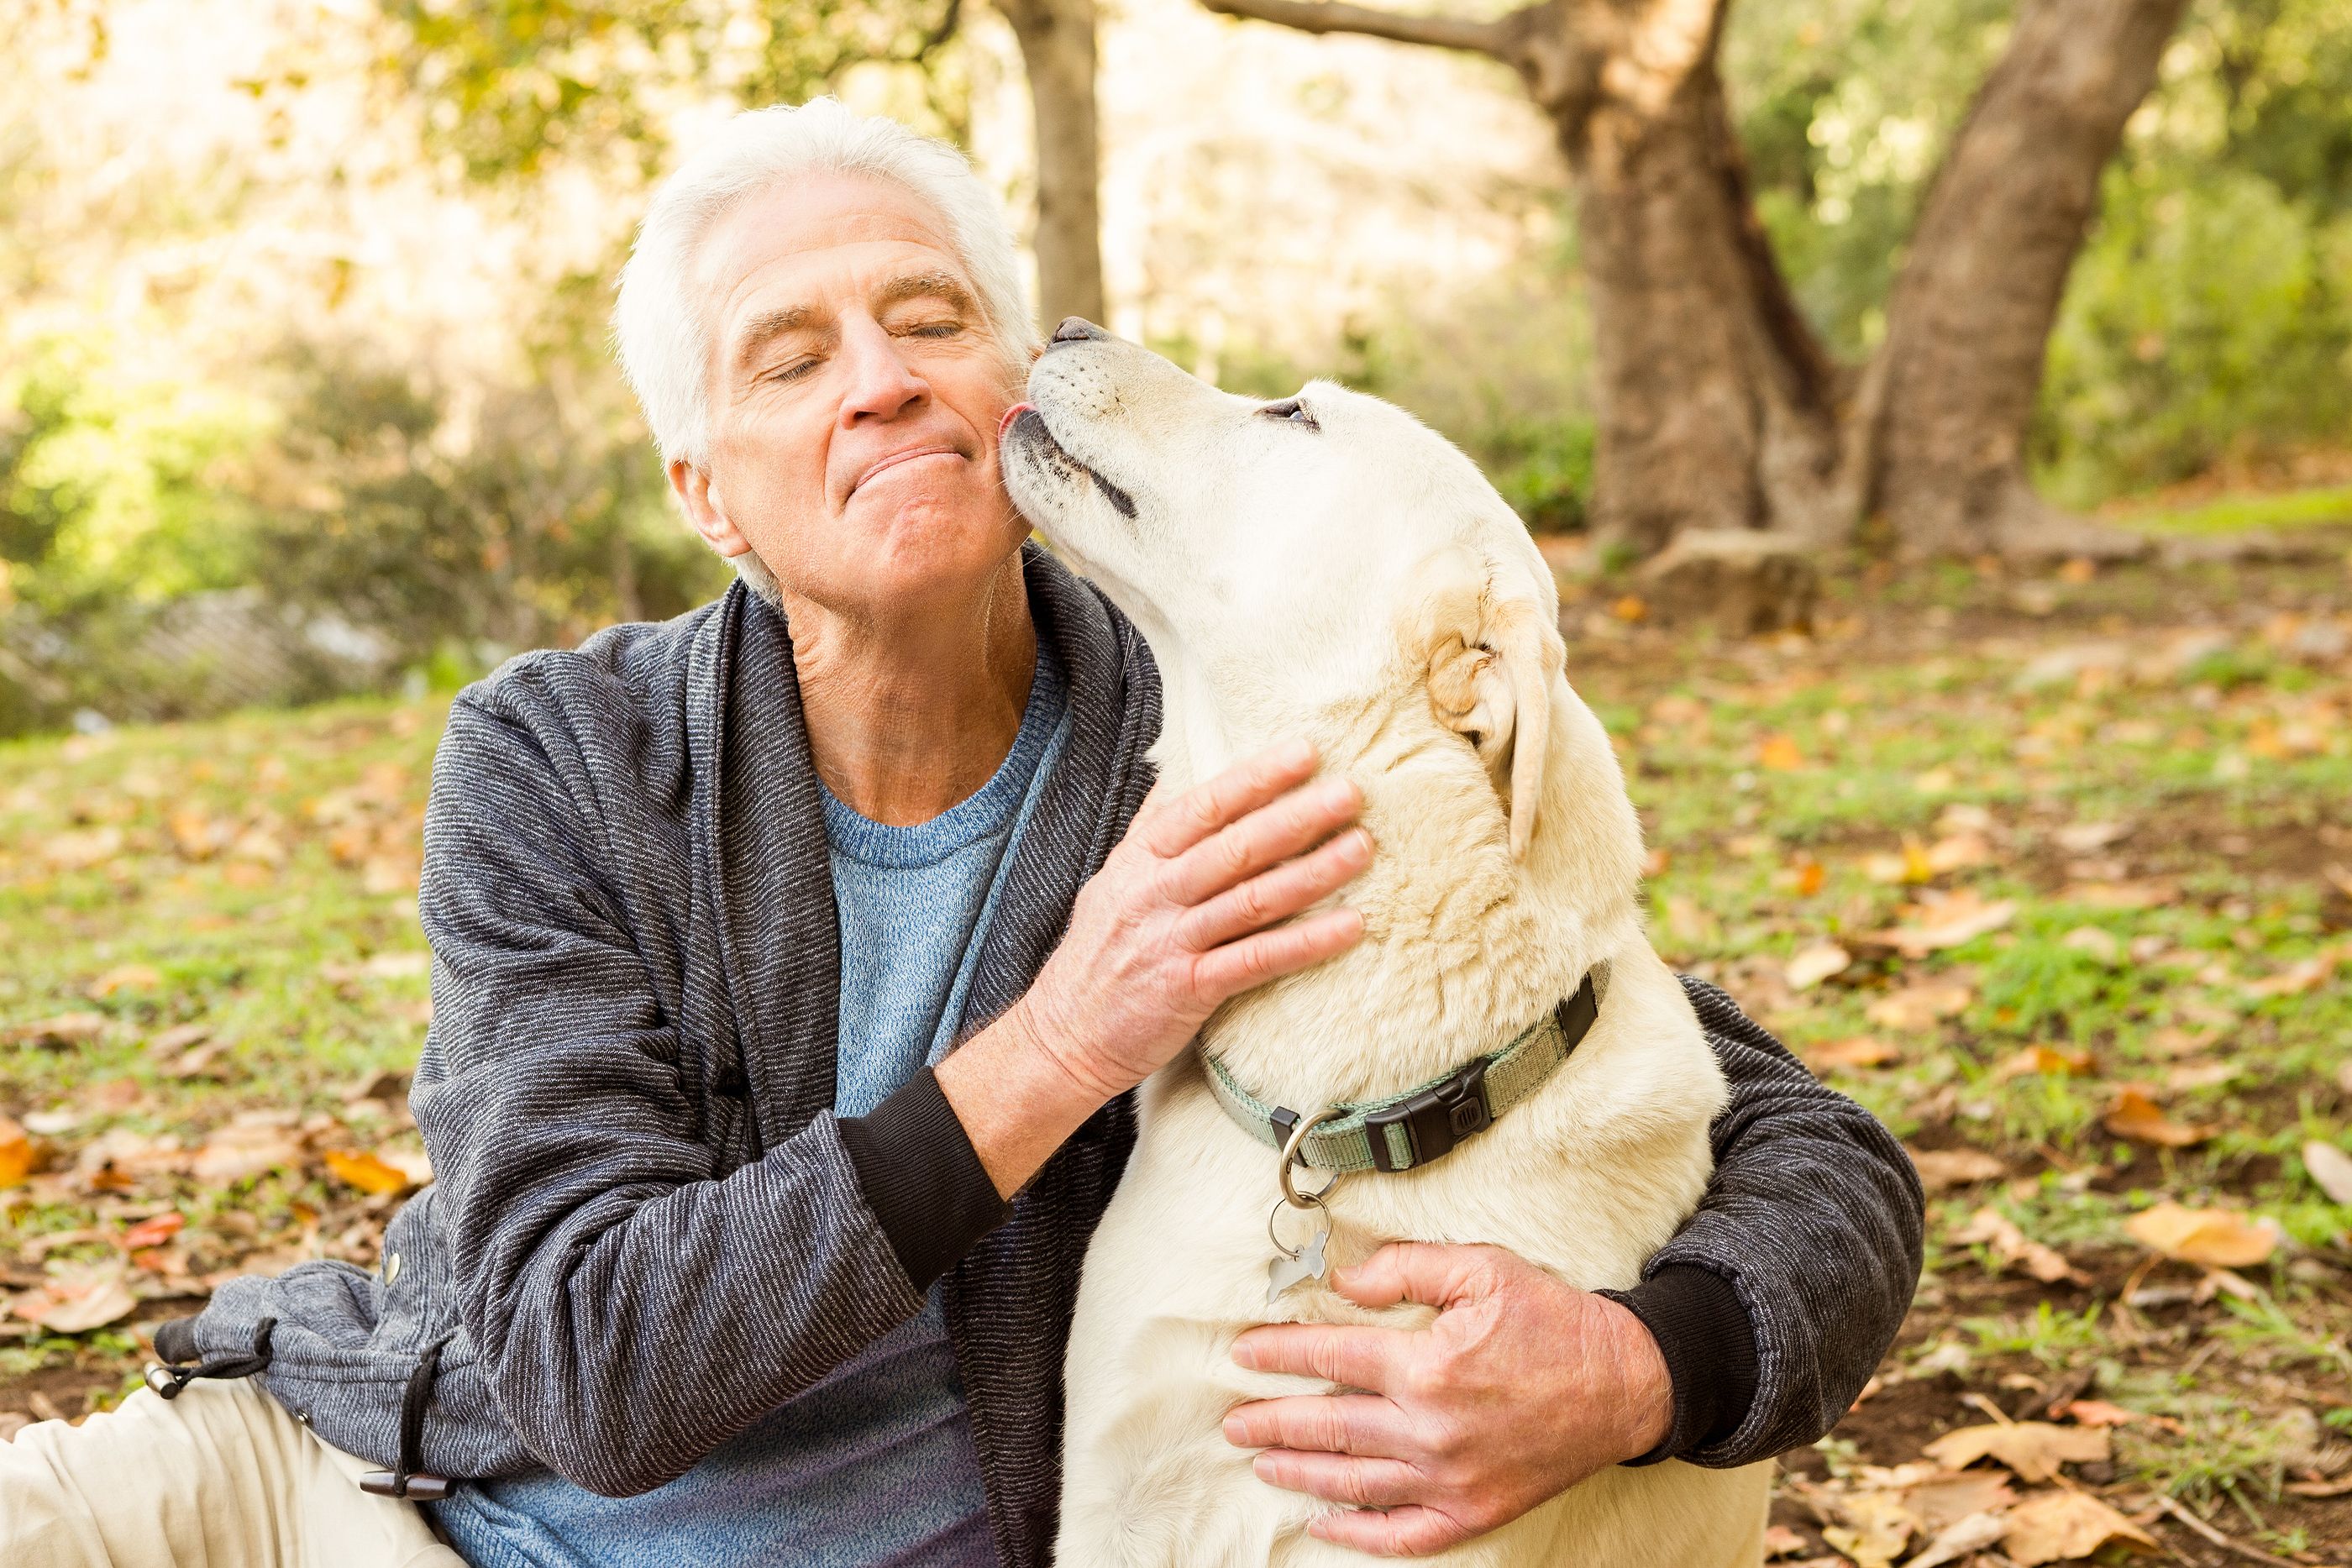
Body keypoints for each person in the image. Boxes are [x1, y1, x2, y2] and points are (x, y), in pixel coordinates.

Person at [0, 100, 1923, 1568]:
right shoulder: (563, 758)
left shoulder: (1225, 730)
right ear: (707, 493)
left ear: (1011, 390)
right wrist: (1067, 1036)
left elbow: (1782, 1128)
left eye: (928, 317)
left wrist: (1639, 1364)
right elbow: (592, 1365)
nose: (883, 378)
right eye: (791, 353)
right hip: (367, 1499)